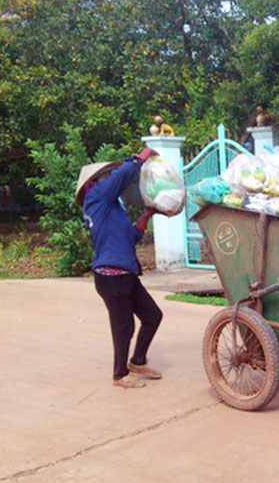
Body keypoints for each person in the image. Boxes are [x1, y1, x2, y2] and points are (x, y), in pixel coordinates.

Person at [74, 148, 164, 389]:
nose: (109, 177)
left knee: (152, 316)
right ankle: (119, 375)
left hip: (125, 274)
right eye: (105, 175)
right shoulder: (96, 199)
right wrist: (140, 157)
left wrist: (146, 216)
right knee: (124, 327)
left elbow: (129, 238)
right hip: (111, 277)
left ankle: (138, 361)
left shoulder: (110, 208)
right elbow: (121, 176)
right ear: (93, 183)